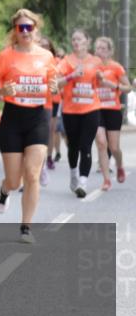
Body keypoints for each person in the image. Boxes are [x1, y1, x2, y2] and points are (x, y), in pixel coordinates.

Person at [0, 9, 58, 244]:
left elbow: (54, 87)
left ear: (36, 30)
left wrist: (55, 86)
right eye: (21, 28)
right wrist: (2, 91)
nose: (26, 31)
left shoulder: (47, 56)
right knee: (14, 180)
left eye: (29, 27)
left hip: (39, 117)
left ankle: (26, 227)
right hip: (12, 119)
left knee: (32, 174)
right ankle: (5, 189)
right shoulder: (6, 56)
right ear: (15, 31)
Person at [56, 30, 102, 198]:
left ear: (87, 41)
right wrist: (71, 76)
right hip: (70, 110)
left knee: (85, 145)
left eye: (79, 39)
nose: (76, 42)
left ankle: (83, 181)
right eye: (73, 39)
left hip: (91, 109)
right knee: (73, 145)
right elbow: (56, 85)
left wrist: (101, 78)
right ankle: (74, 174)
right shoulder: (66, 61)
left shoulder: (96, 61)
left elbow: (101, 80)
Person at [94, 36, 130, 187]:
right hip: (96, 109)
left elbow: (128, 88)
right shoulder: (92, 67)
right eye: (98, 48)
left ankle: (119, 165)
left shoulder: (116, 67)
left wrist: (113, 85)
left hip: (113, 110)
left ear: (110, 52)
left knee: (114, 147)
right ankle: (106, 179)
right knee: (102, 143)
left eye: (103, 48)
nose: (100, 51)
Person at [39, 37, 62, 173]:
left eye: (46, 46)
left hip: (53, 100)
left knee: (50, 130)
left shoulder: (55, 62)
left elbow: (57, 81)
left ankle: (48, 157)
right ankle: (40, 159)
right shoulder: (31, 59)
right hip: (36, 101)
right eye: (41, 45)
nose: (44, 48)